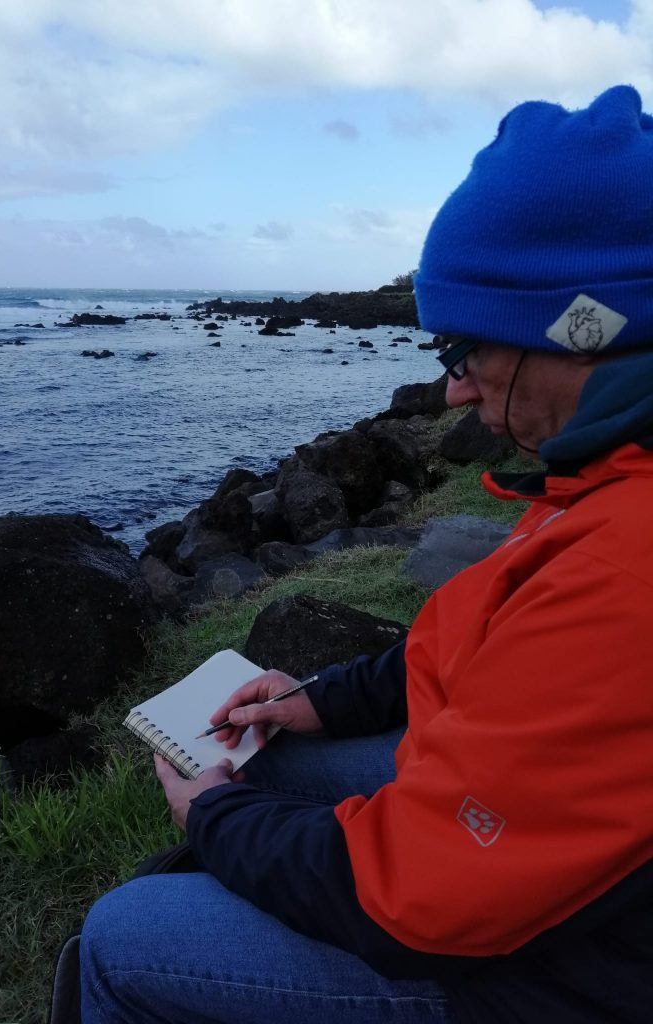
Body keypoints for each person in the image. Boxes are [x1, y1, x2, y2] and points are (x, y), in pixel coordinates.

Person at [79, 84, 653, 1024]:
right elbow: (498, 645)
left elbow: (420, 898)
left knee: (123, 936)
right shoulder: (610, 480)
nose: (454, 392)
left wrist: (212, 817)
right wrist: (320, 699)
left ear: (583, 331)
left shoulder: (627, 570)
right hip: (553, 883)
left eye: (467, 349)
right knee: (266, 760)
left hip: (561, 976)